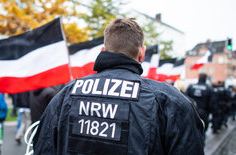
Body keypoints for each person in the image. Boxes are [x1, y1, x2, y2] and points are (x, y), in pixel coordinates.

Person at [33, 18, 204, 154]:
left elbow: (43, 148)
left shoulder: (66, 94)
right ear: (142, 53)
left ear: (102, 51)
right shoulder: (169, 101)